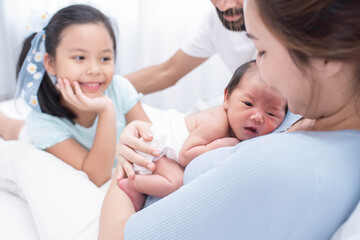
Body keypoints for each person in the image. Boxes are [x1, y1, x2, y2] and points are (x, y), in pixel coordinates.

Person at [98, 0, 360, 239]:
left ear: (327, 57)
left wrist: (124, 169)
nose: (259, 66)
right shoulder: (309, 112)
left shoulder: (272, 167)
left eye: (263, 50)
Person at [119, 60, 287, 211]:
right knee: (175, 182)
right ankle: (134, 185)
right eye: (248, 104)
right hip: (156, 150)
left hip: (164, 152)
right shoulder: (216, 123)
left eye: (271, 113)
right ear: (227, 98)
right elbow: (186, 155)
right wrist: (223, 144)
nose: (257, 117)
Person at [13, 4, 149, 187]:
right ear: (51, 63)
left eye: (105, 58)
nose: (94, 70)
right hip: (41, 130)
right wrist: (106, 110)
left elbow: (151, 142)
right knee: (18, 131)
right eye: (79, 58)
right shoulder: (41, 122)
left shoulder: (120, 88)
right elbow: (97, 177)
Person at [125, 0, 255, 95]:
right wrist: (109, 87)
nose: (222, 6)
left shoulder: (274, 22)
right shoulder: (215, 21)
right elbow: (168, 71)